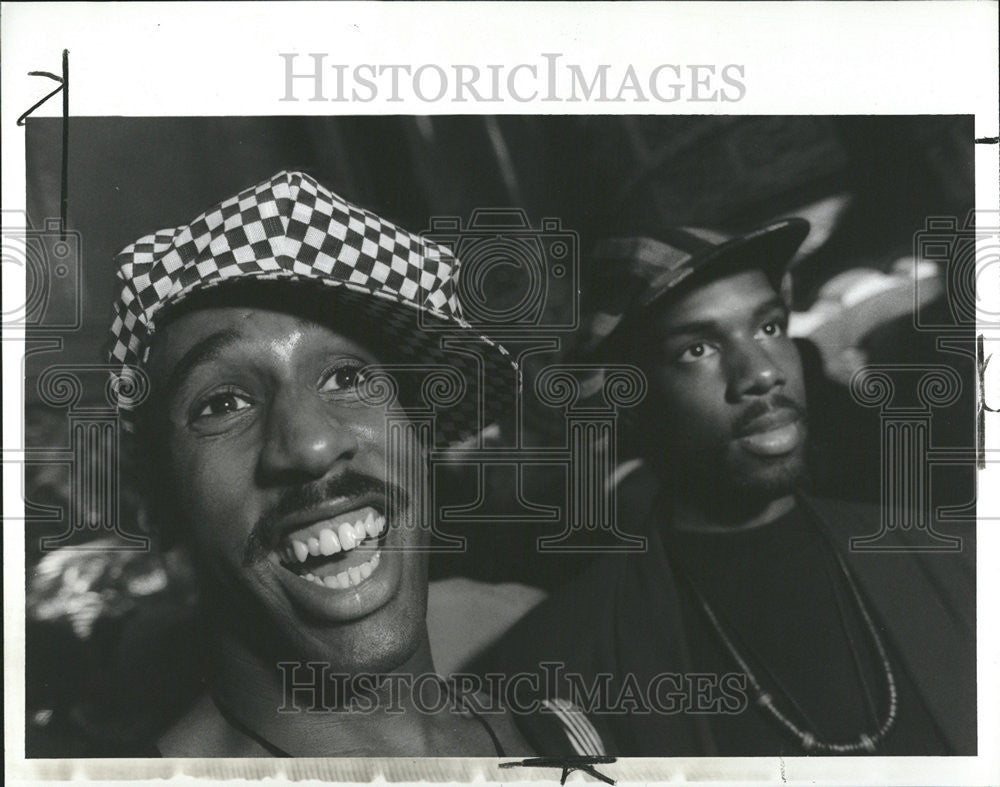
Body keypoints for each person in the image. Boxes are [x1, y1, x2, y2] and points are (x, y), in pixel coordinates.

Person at [107, 170, 604, 757]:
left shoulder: (560, 736)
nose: (312, 446)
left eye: (347, 376)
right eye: (222, 403)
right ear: (161, 503)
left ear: (418, 435)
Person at [475, 220, 976, 756]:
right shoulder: (568, 658)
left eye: (768, 328)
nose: (761, 374)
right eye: (698, 349)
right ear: (631, 398)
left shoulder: (957, 555)